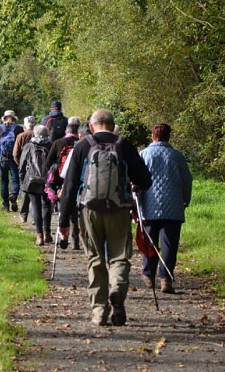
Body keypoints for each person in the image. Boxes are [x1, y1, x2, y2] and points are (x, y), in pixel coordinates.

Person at [58, 109, 152, 327]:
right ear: (112, 125)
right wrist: (133, 186)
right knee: (119, 256)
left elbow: (70, 186)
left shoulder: (83, 146)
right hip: (119, 209)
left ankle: (99, 311)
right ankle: (117, 289)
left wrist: (63, 222)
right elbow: (145, 179)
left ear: (91, 126)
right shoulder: (124, 146)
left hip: (89, 210)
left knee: (95, 259)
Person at [138, 123, 193, 294]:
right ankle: (166, 278)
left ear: (153, 136)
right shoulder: (177, 156)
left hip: (149, 205)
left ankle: (148, 274)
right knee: (169, 244)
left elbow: (137, 180)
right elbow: (187, 180)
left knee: (150, 241)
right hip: (173, 207)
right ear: (169, 137)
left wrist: (136, 203)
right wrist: (185, 199)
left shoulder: (144, 155)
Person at [44, 116, 81, 249]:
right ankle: (76, 241)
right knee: (75, 211)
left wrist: (53, 175)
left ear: (66, 130)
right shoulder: (83, 143)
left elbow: (48, 163)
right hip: (78, 179)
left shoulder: (58, 143)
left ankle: (63, 236)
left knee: (64, 209)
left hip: (61, 180)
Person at [19, 125, 52, 245]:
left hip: (32, 180)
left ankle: (39, 236)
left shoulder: (28, 146)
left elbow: (22, 165)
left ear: (35, 133)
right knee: (47, 206)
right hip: (48, 180)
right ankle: (47, 233)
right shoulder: (50, 145)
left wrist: (22, 181)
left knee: (36, 206)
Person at [0, 110, 24, 212]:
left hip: (2, 159)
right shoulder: (19, 128)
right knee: (15, 180)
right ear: (14, 118)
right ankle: (14, 195)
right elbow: (22, 145)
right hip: (14, 159)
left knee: (4, 182)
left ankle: (5, 206)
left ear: (4, 118)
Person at [13, 115, 37, 221]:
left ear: (25, 125)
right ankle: (35, 217)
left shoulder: (21, 136)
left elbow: (15, 154)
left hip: (25, 167)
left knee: (25, 191)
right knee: (37, 193)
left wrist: (20, 164)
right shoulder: (40, 135)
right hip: (37, 168)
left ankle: (23, 215)